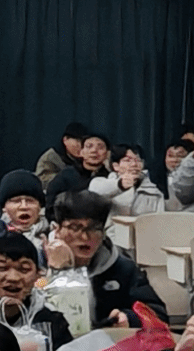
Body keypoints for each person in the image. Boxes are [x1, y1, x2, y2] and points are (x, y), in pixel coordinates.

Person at [47, 190, 165, 326]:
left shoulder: (122, 268)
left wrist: (129, 319)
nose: (85, 237)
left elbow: (158, 313)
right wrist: (55, 272)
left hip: (108, 338)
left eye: (94, 228)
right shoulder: (36, 261)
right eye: (75, 227)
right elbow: (33, 308)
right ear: (56, 229)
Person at [88, 143, 164, 215]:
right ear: (116, 166)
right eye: (127, 160)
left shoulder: (154, 190)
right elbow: (94, 192)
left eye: (138, 160)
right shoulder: (104, 184)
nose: (134, 164)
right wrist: (120, 185)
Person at [47, 132, 112, 201]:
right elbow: (51, 200)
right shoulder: (66, 175)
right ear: (81, 152)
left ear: (107, 153)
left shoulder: (110, 178)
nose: (94, 150)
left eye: (100, 147)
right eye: (89, 146)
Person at [0, 170, 50, 246]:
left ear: (40, 206)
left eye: (30, 201)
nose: (24, 207)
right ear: (3, 208)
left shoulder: (55, 237)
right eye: (16, 201)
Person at [34, 123, 88, 188]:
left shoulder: (88, 158)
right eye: (78, 141)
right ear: (65, 140)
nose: (81, 146)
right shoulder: (50, 157)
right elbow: (42, 181)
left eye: (85, 143)